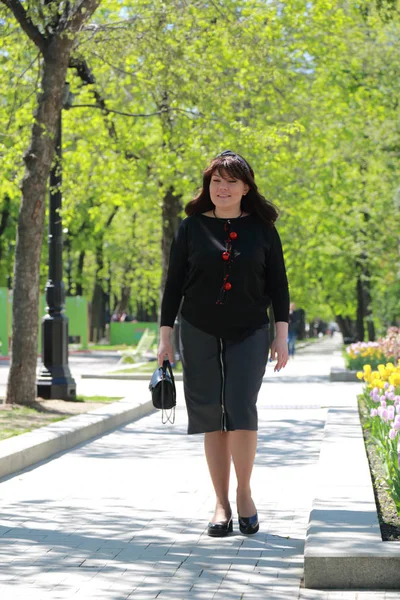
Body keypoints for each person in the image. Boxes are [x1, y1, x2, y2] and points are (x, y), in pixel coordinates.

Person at [158, 150, 289, 537]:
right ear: (208, 186)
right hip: (197, 329)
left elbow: (279, 286)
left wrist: (280, 335)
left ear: (246, 187)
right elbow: (173, 286)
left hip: (249, 330)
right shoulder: (190, 228)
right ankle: (221, 503)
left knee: (240, 407)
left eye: (231, 181)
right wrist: (166, 339)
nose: (223, 188)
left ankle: (244, 493)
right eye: (216, 181)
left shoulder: (263, 230)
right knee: (210, 414)